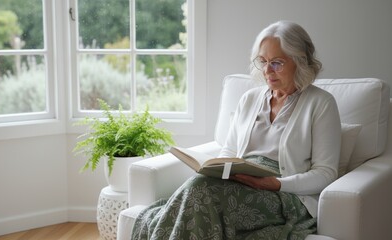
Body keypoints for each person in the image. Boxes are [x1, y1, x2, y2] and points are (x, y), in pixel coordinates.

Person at [131, 20, 341, 240]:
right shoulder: (249, 99)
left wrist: (277, 183)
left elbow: (326, 173)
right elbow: (229, 152)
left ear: (300, 62)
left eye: (277, 63)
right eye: (262, 61)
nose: (267, 71)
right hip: (240, 181)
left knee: (199, 192)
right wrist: (219, 171)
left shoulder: (321, 103)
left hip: (284, 195)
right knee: (199, 186)